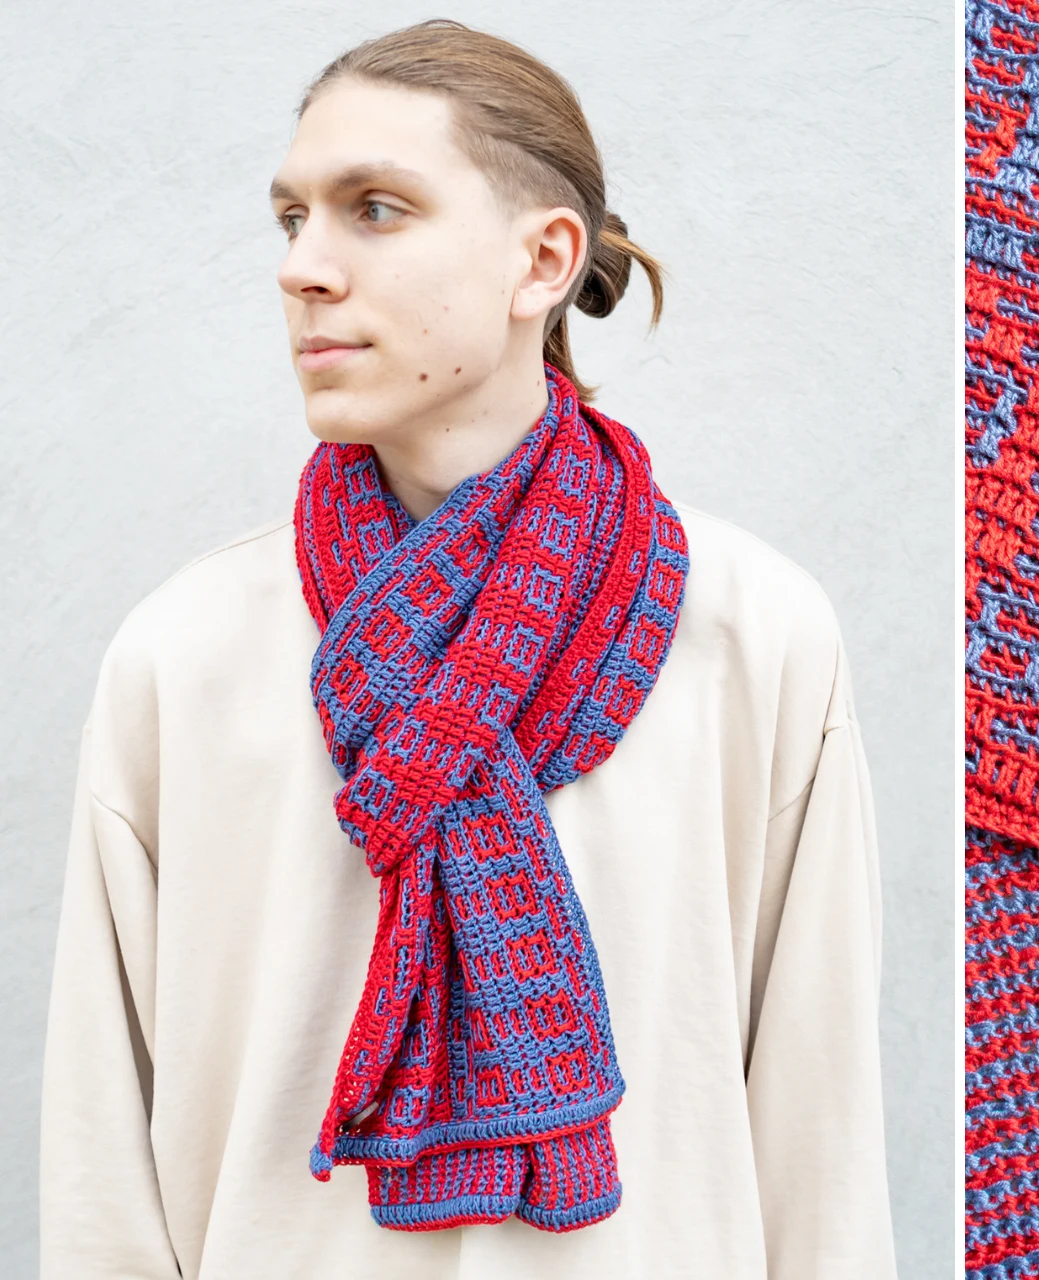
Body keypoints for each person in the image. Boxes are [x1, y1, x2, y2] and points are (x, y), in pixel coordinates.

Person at [38, 19, 897, 1279]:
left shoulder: (752, 634)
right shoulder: (185, 656)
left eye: (374, 209)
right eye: (291, 219)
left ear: (542, 258)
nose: (305, 267)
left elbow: (822, 1136)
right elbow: (100, 1159)